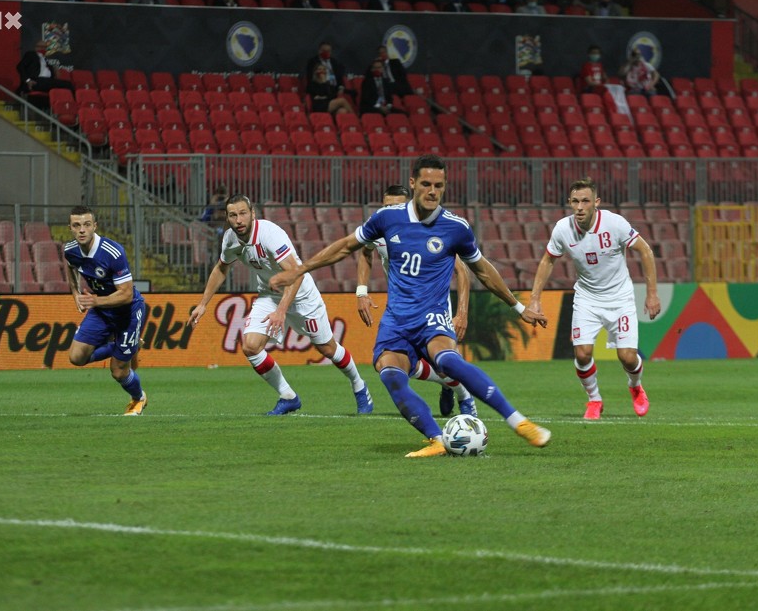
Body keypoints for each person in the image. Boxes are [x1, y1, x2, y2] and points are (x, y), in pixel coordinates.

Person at [270, 155, 551, 457]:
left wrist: (519, 308)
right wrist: (300, 270)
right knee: (390, 374)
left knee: (448, 361)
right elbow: (348, 246)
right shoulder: (387, 218)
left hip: (432, 315)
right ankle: (437, 440)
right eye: (427, 184)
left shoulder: (455, 227)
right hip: (396, 320)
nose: (433, 191)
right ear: (413, 183)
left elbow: (481, 270)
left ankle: (518, 421)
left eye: (439, 186)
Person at [186, 194, 374, 416]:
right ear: (227, 218)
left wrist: (281, 311)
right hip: (269, 294)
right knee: (251, 346)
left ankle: (359, 385)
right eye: (233, 215)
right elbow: (221, 267)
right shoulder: (230, 239)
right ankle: (288, 396)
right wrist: (203, 304)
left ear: (252, 213)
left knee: (327, 348)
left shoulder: (269, 234)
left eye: (243, 213)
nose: (238, 220)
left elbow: (296, 274)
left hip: (302, 296)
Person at [526, 177, 660, 421]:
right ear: (569, 202)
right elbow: (548, 260)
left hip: (620, 298)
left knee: (627, 357)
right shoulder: (562, 229)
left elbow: (645, 250)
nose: (579, 207)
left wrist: (651, 293)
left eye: (585, 201)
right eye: (575, 201)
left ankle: (635, 386)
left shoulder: (615, 224)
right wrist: (535, 299)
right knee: (582, 354)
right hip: (587, 299)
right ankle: (594, 399)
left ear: (596, 202)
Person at [355, 184, 476, 418]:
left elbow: (462, 271)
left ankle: (463, 394)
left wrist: (462, 313)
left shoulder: (430, 231)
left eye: (395, 206)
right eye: (386, 206)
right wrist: (361, 292)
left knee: (446, 364)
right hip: (402, 305)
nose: (390, 210)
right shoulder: (381, 227)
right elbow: (365, 252)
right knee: (392, 362)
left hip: (435, 304)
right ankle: (451, 386)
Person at [64, 205, 148, 416]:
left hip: (128, 312)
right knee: (76, 357)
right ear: (70, 228)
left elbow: (126, 295)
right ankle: (122, 346)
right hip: (101, 309)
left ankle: (139, 398)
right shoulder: (70, 250)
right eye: (76, 225)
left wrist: (96, 301)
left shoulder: (112, 252)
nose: (82, 230)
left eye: (86, 224)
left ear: (95, 226)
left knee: (118, 371)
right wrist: (75, 292)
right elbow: (70, 266)